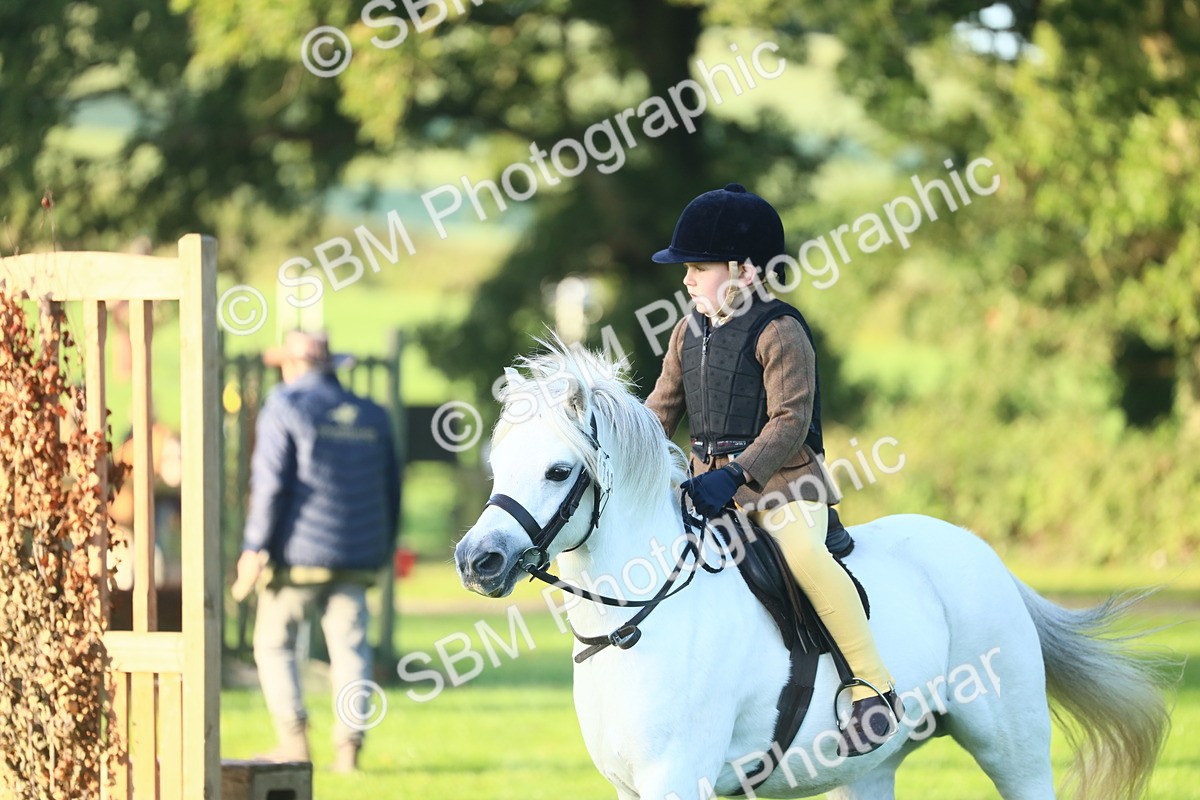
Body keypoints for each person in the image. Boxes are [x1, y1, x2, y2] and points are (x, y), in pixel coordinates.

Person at [643, 183, 901, 757]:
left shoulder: (779, 329)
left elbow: (789, 421)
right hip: (704, 490)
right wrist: (622, 451)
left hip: (786, 487)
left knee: (804, 555)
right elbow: (659, 409)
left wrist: (734, 475)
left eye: (698, 267)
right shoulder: (687, 331)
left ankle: (873, 688)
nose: (686, 279)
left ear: (746, 269)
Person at [235, 330, 399, 772]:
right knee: (351, 650)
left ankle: (294, 745)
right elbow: (392, 488)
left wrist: (254, 548)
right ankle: (348, 752)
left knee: (273, 643)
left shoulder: (285, 406)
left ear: (289, 366)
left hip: (299, 557)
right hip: (358, 555)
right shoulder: (374, 415)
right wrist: (381, 548)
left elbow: (270, 486)